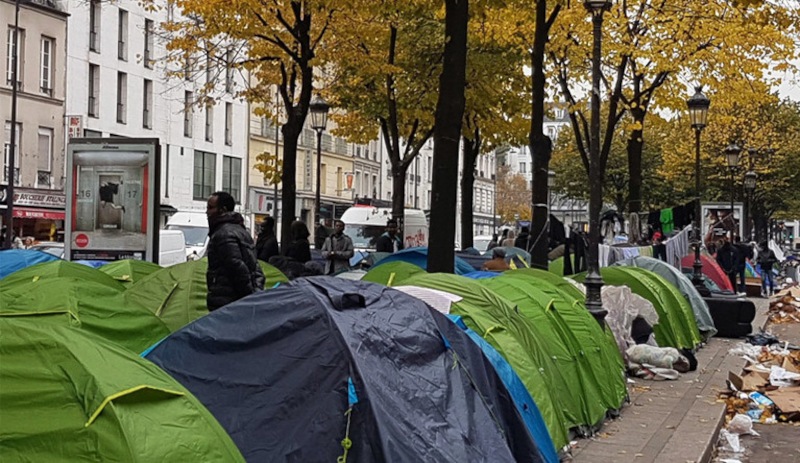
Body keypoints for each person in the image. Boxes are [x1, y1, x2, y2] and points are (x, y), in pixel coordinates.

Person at [205, 191, 265, 311]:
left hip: (227, 300)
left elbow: (236, 266)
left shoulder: (223, 234)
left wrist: (249, 296)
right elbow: (254, 266)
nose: (207, 212)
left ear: (222, 210)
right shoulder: (242, 231)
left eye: (210, 208)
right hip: (235, 299)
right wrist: (256, 291)